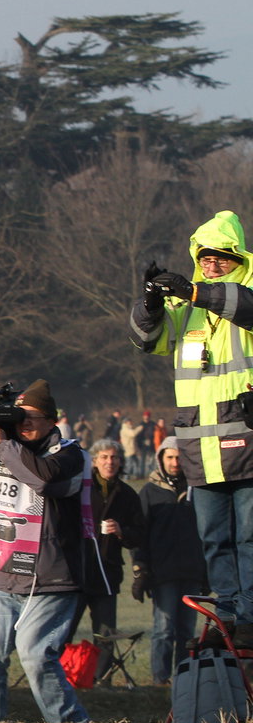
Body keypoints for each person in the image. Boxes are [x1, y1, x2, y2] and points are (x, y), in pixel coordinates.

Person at [133, 211, 253, 652]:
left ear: (237, 257)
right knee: (214, 538)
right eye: (204, 258)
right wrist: (149, 304)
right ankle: (228, 611)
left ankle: (249, 613)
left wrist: (195, 291)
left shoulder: (244, 289)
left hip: (248, 441)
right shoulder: (189, 308)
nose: (212, 264)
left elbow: (247, 306)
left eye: (221, 257)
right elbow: (147, 341)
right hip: (201, 446)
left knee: (249, 537)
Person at [0, 379, 93, 723]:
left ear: (52, 422)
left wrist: (5, 447)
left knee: (36, 655)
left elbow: (42, 479)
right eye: (19, 416)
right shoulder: (0, 451)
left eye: (33, 417)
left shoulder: (69, 455)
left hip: (53, 579)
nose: (24, 423)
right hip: (7, 576)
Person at [135, 437, 209, 684]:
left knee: (187, 631)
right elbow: (140, 533)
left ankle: (185, 677)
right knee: (164, 629)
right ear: (161, 459)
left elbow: (207, 532)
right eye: (170, 457)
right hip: (162, 572)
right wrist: (141, 568)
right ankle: (161, 678)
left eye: (179, 457)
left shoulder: (198, 490)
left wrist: (207, 572)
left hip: (191, 570)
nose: (175, 462)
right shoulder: (149, 492)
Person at [74, 440, 144, 681]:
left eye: (114, 458)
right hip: (77, 570)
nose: (109, 462)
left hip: (108, 572)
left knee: (105, 633)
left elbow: (138, 535)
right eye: (104, 457)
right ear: (94, 461)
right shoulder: (81, 488)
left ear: (120, 461)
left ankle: (100, 680)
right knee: (64, 629)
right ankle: (62, 676)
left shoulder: (127, 494)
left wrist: (121, 530)